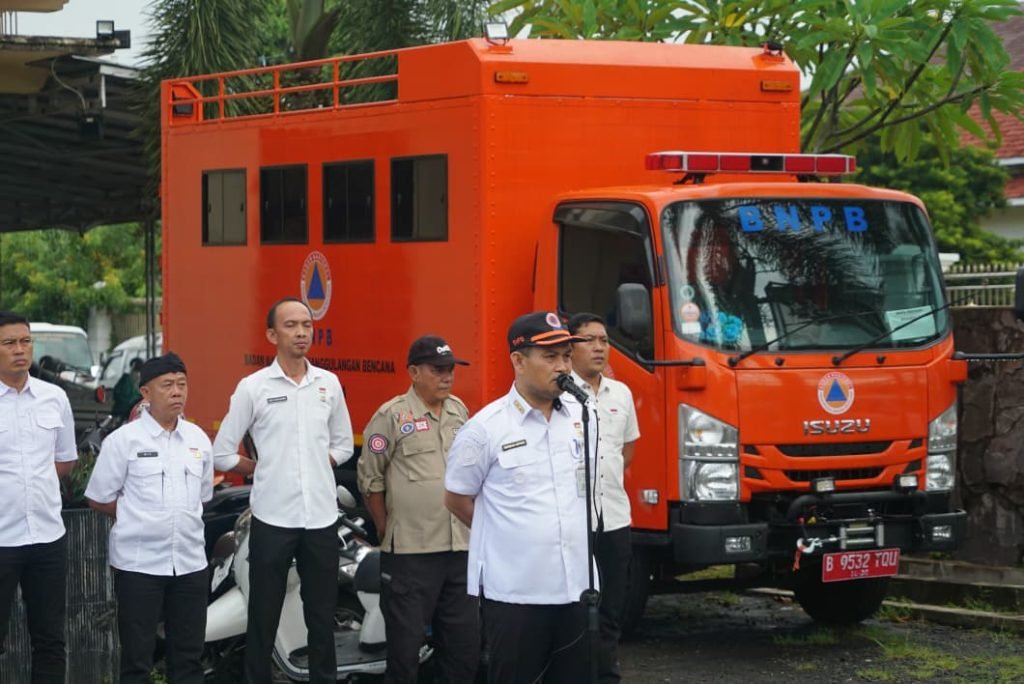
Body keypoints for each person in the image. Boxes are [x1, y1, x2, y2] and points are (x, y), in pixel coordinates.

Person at [444, 311, 596, 684]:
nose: (562, 367)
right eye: (550, 357)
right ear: (518, 360)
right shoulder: (486, 428)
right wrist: (509, 534)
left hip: (578, 587)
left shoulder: (581, 416)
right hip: (517, 593)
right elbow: (457, 498)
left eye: (566, 356)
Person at [212, 297, 354, 684]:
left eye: (307, 325)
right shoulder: (253, 387)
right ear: (272, 335)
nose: (301, 332)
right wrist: (258, 468)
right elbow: (222, 452)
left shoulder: (328, 384)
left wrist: (318, 463)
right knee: (263, 615)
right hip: (272, 518)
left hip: (321, 518)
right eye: (291, 325)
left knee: (322, 616)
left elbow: (343, 444)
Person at [84, 352, 213, 684]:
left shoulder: (198, 439)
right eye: (167, 385)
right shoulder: (123, 441)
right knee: (137, 661)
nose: (177, 392)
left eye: (182, 384)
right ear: (145, 392)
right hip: (139, 565)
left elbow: (202, 496)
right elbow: (98, 497)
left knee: (189, 659)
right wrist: (137, 516)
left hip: (190, 564)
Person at [358, 335, 479, 683]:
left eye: (450, 369)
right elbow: (370, 479)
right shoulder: (391, 416)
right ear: (413, 372)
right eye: (437, 369)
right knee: (405, 650)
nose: (447, 376)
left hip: (460, 548)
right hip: (412, 553)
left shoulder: (459, 411)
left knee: (463, 648)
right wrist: (385, 527)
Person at [0, 310, 76, 684]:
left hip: (47, 537)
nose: (20, 350)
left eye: (25, 341)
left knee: (50, 641)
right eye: (9, 343)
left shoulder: (54, 398)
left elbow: (65, 460)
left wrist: (35, 485)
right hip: (2, 538)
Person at [567, 313, 640, 684]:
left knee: (612, 607)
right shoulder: (560, 394)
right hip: (573, 521)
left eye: (605, 340)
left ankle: (607, 676)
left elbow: (626, 451)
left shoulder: (621, 393)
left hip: (614, 517)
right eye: (589, 340)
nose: (599, 348)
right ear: (570, 347)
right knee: (573, 609)